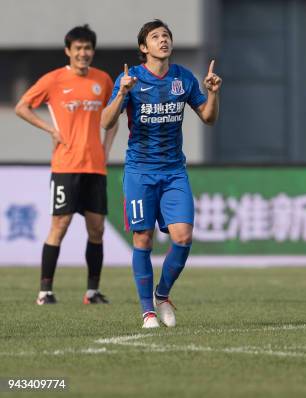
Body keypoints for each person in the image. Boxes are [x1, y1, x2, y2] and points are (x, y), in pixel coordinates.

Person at [101, 19, 221, 328]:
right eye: (155, 37)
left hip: (173, 172)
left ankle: (162, 294)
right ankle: (148, 312)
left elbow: (208, 118)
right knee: (143, 239)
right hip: (140, 172)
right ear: (144, 47)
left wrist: (213, 93)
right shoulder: (130, 79)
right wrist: (121, 94)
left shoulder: (183, 78)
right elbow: (105, 121)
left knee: (183, 237)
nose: (163, 40)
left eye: (166, 35)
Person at [15, 25, 118, 305]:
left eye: (88, 48)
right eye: (78, 49)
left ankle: (92, 292)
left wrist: (106, 149)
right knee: (59, 225)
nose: (83, 53)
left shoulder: (103, 80)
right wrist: (50, 129)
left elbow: (113, 117)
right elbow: (22, 106)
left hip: (95, 166)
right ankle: (45, 291)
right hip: (66, 165)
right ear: (68, 51)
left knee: (96, 229)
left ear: (92, 51)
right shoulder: (54, 79)